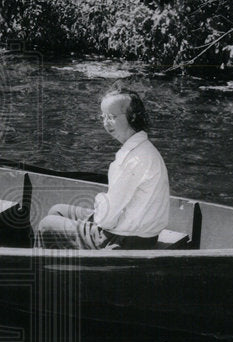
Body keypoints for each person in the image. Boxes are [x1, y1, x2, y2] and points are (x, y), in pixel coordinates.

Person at [35, 82, 169, 249]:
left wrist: (100, 203)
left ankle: (43, 273)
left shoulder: (135, 159)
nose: (106, 123)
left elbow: (106, 219)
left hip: (126, 240)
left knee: (47, 225)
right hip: (135, 233)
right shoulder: (142, 148)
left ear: (132, 117)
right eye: (103, 117)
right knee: (58, 210)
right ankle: (75, 268)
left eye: (112, 117)